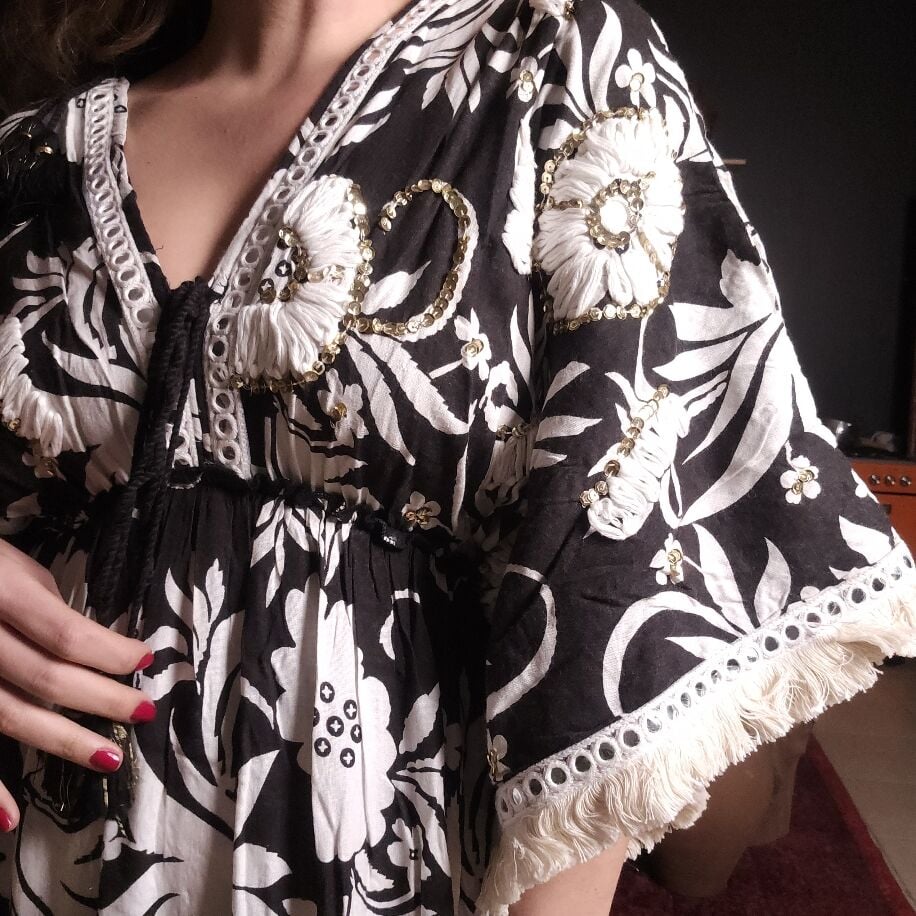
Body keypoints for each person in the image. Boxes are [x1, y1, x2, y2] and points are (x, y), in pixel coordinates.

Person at [0, 0, 913, 913]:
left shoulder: (556, 65)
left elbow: (605, 583)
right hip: (48, 853)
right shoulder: (38, 150)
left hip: (386, 865)